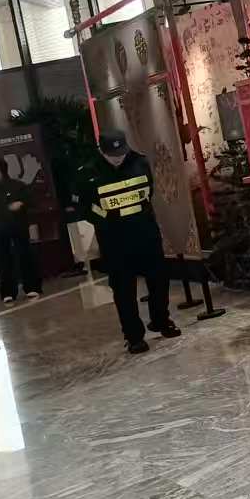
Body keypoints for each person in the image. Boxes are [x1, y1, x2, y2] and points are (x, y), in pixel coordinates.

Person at [81, 131, 179, 354]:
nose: (118, 158)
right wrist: (106, 218)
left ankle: (161, 320)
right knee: (124, 290)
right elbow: (85, 207)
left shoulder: (140, 162)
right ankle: (134, 336)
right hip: (114, 240)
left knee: (159, 280)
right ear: (101, 151)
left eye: (121, 153)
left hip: (145, 233)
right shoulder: (88, 172)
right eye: (112, 155)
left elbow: (147, 193)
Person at [0, 160, 43, 305]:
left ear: (2, 170)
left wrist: (21, 204)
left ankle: (31, 287)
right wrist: (4, 211)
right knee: (3, 261)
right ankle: (8, 292)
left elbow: (30, 201)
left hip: (18, 227)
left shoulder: (17, 186)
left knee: (24, 256)